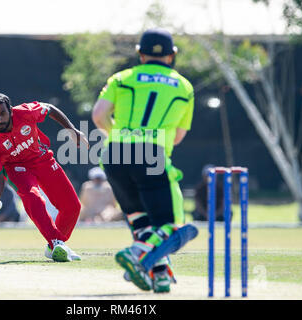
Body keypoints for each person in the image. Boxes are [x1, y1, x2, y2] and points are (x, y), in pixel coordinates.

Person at [92, 28, 196, 293]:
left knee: (141, 221)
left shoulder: (122, 78)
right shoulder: (184, 87)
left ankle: (159, 275)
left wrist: (120, 134)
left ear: (140, 54)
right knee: (172, 225)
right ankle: (138, 252)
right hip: (152, 155)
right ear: (172, 56)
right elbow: (177, 138)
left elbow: (99, 115)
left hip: (115, 154)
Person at [0, 93, 89, 262]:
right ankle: (56, 241)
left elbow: (50, 109)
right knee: (32, 196)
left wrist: (71, 129)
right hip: (15, 168)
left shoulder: (26, 112)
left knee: (72, 207)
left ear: (11, 111)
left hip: (42, 159)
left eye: (2, 114)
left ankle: (54, 247)